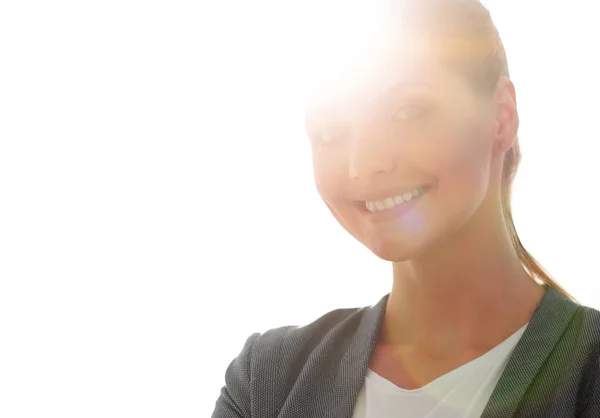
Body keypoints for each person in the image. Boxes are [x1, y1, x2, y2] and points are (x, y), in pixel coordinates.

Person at [211, 0, 600, 416]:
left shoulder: (588, 375)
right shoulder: (268, 380)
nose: (363, 165)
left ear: (501, 118)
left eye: (407, 111)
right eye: (329, 131)